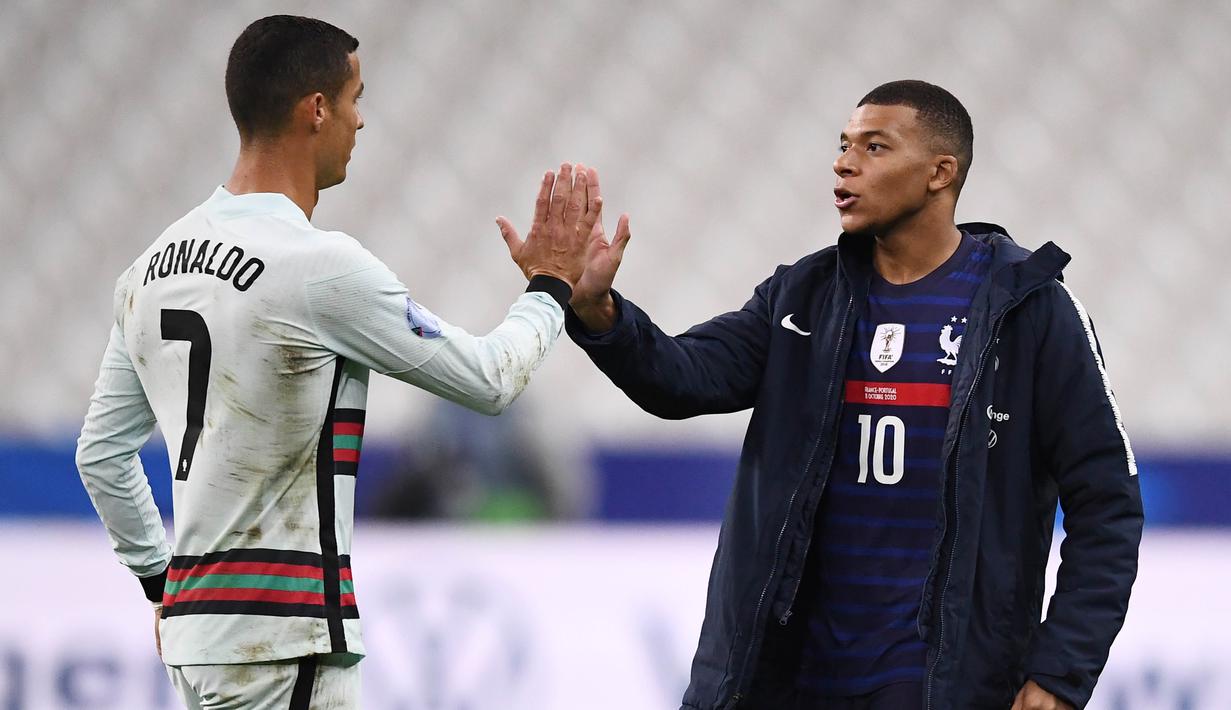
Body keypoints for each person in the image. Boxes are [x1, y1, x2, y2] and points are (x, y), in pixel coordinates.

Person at [560, 80, 1142, 709]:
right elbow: (682, 377)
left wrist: (1059, 670)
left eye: (874, 146)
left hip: (935, 682)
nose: (844, 162)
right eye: (843, 144)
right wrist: (599, 312)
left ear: (939, 173)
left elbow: (1107, 504)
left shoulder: (1029, 310)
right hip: (789, 675)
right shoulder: (803, 296)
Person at [75, 15, 600, 709]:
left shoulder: (148, 271)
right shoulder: (318, 269)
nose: (361, 122)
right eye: (356, 99)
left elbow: (101, 455)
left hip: (200, 639)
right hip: (282, 639)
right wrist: (551, 288)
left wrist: (160, 583)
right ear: (316, 110)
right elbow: (489, 378)